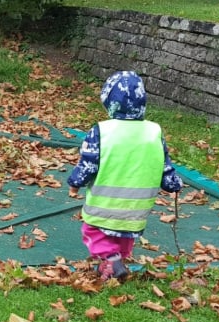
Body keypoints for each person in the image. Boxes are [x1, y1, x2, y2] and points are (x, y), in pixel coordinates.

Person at [68, 71, 183, 282]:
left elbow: (88, 164)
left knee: (94, 232)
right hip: (137, 210)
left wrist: (75, 183)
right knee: (123, 238)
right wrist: (172, 183)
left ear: (110, 102)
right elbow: (165, 165)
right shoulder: (154, 132)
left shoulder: (101, 131)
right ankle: (111, 267)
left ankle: (111, 259)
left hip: (105, 205)